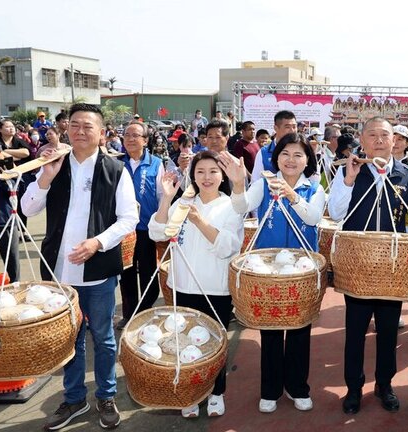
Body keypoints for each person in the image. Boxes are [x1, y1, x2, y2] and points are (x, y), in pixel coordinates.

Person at [22, 103, 138, 431]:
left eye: (88, 126)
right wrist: (45, 176)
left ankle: (106, 395)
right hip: (59, 272)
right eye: (74, 125)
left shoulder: (115, 170)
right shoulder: (54, 164)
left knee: (102, 336)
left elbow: (129, 216)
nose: (80, 131)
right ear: (65, 130)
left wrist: (97, 242)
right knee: (69, 338)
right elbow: (28, 209)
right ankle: (74, 398)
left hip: (98, 268)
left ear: (102, 133)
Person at [221, 132, 325, 414]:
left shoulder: (314, 188)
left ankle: (297, 387)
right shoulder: (264, 184)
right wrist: (239, 183)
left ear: (307, 161)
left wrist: (291, 195)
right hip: (268, 270)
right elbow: (241, 207)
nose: (290, 160)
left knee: (300, 330)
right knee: (270, 329)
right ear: (276, 157)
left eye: (298, 155)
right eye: (285, 154)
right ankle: (270, 390)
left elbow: (313, 218)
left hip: (302, 270)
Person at [328, 117, 408, 415]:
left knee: (389, 331)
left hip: (391, 269)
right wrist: (349, 180)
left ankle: (384, 385)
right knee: (355, 331)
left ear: (396, 141)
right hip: (358, 268)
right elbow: (336, 212)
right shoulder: (349, 170)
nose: (379, 140)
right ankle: (354, 388)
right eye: (372, 135)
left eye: (385, 135)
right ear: (362, 141)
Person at [148, 150, 242, 418]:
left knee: (215, 344)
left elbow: (227, 247)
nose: (206, 177)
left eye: (213, 171)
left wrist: (199, 221)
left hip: (215, 288)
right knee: (184, 343)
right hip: (182, 286)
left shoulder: (231, 206)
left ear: (222, 175)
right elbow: (157, 232)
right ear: (192, 175)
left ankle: (216, 392)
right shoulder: (184, 202)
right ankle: (190, 394)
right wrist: (167, 198)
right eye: (200, 172)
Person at [116, 121, 165, 330]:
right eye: (126, 135)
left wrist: (160, 223)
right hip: (122, 230)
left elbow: (161, 195)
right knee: (125, 274)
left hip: (146, 228)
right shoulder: (116, 163)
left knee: (148, 272)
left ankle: (145, 311)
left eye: (135, 135)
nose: (130, 139)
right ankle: (129, 314)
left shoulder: (156, 163)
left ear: (145, 140)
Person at [0, 132, 19, 287]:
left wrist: (10, 177)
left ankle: (16, 287)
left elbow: (19, 188)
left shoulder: (6, 170)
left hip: (6, 223)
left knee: (12, 259)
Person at [250, 111, 297, 182]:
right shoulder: (263, 153)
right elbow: (255, 181)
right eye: (287, 127)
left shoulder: (302, 150)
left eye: (294, 126)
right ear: (276, 128)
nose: (292, 130)